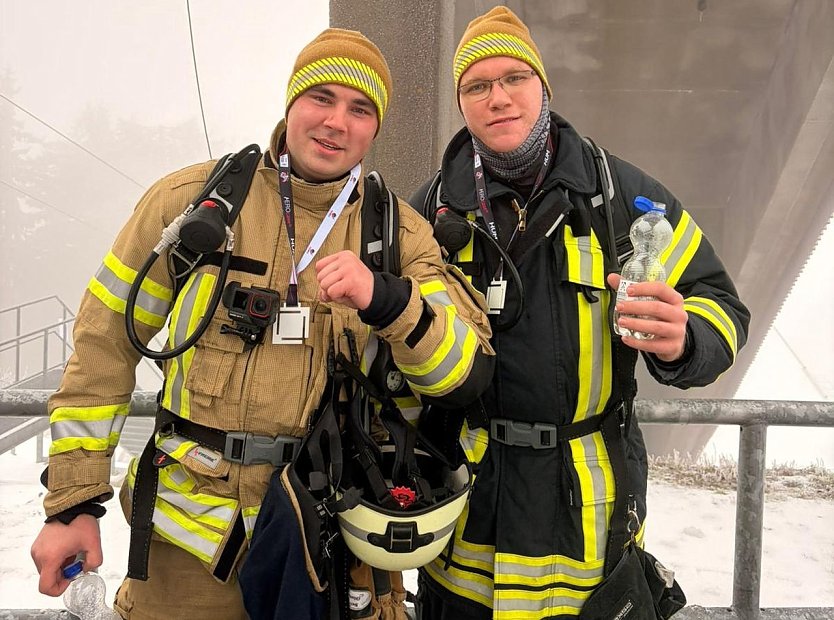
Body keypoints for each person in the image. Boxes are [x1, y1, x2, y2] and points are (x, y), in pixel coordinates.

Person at [30, 28, 494, 619]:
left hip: (332, 545)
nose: (336, 122)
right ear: (290, 104)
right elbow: (104, 349)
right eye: (320, 98)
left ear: (375, 128)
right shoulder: (193, 204)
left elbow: (459, 373)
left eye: (359, 109)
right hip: (191, 552)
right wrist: (73, 502)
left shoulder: (400, 235)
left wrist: (387, 299)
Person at [409, 7, 750, 619]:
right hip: (468, 529)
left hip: (589, 526)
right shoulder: (432, 214)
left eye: (514, 78)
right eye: (477, 86)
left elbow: (723, 307)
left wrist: (686, 338)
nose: (498, 98)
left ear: (544, 87)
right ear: (462, 103)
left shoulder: (619, 198)